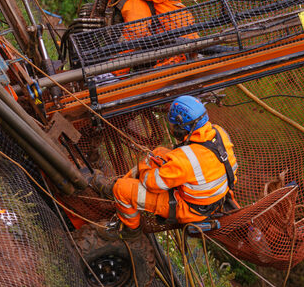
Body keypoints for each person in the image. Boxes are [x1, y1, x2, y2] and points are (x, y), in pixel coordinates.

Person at [92, 96, 238, 239]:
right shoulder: (219, 132)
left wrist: (144, 169)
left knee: (121, 189)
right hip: (215, 196)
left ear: (182, 129)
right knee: (159, 152)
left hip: (189, 208)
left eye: (173, 125)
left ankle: (130, 230)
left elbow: (152, 183)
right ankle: (119, 189)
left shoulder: (185, 159)